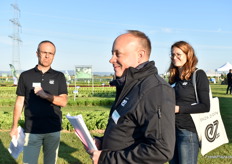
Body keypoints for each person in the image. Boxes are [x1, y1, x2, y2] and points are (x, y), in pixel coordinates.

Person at [89, 30, 176, 164]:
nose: (111, 60)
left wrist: (106, 158)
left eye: (118, 54)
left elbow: (161, 150)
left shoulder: (155, 90)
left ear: (140, 55)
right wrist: (102, 142)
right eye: (112, 53)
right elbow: (126, 128)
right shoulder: (130, 85)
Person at [10, 40, 68, 164]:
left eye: (51, 53)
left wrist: (46, 95)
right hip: (32, 131)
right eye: (44, 52)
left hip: (53, 130)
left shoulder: (59, 77)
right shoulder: (26, 76)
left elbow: (63, 101)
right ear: (37, 53)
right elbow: (19, 102)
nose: (47, 56)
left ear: (54, 55)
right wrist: (14, 126)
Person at [167, 41, 210, 164]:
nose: (174, 58)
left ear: (188, 55)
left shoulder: (198, 74)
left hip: (188, 132)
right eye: (172, 55)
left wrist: (178, 109)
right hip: (171, 131)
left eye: (178, 54)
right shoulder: (173, 78)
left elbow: (205, 106)